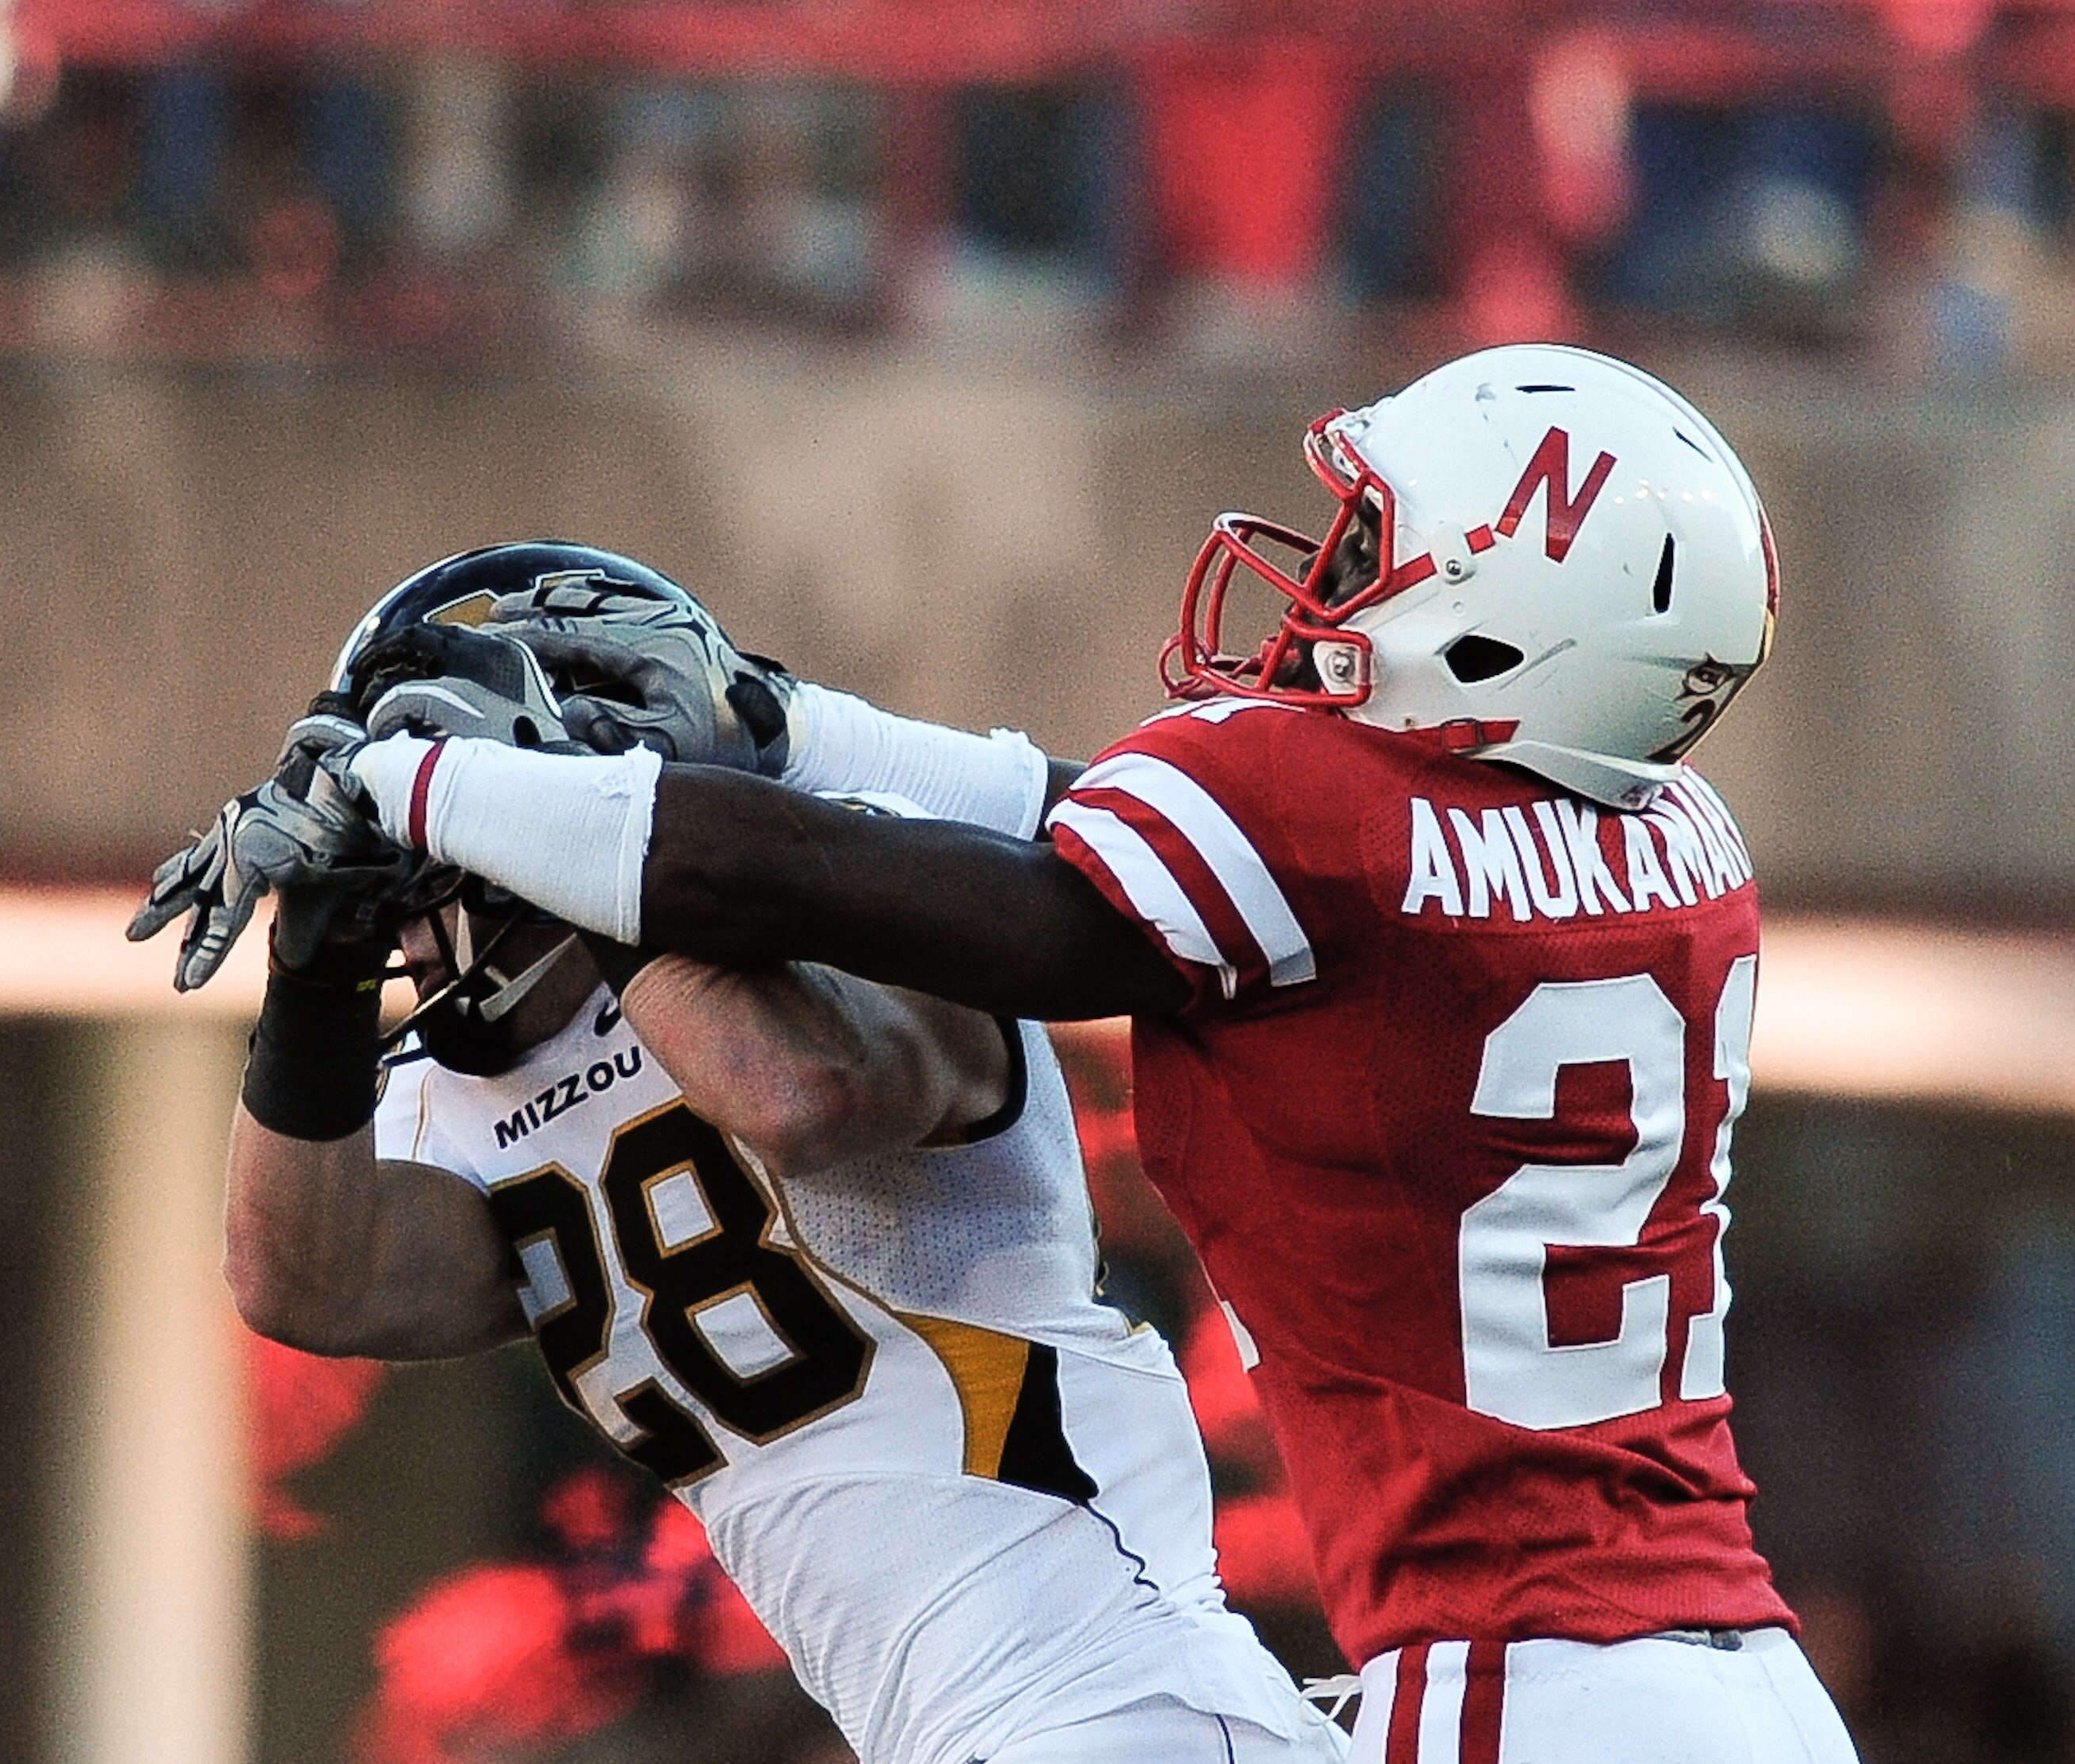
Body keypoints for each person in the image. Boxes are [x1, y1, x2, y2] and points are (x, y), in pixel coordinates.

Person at [258, 350, 1858, 1764]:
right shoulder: (1675, 842)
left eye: (1374, 542)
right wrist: (735, 733)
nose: (1325, 574)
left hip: (1495, 1682)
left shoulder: (1307, 818)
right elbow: (313, 1281)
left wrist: (441, 793)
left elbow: (870, 960)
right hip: (1713, 1666)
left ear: (1506, 631)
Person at [132, 543, 1346, 1764]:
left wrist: (590, 862)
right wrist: (312, 982)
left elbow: (802, 1091)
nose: (407, 921)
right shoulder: (460, 1094)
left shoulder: (850, 888)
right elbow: (305, 1282)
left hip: (1115, 1695)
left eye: (419, 870)